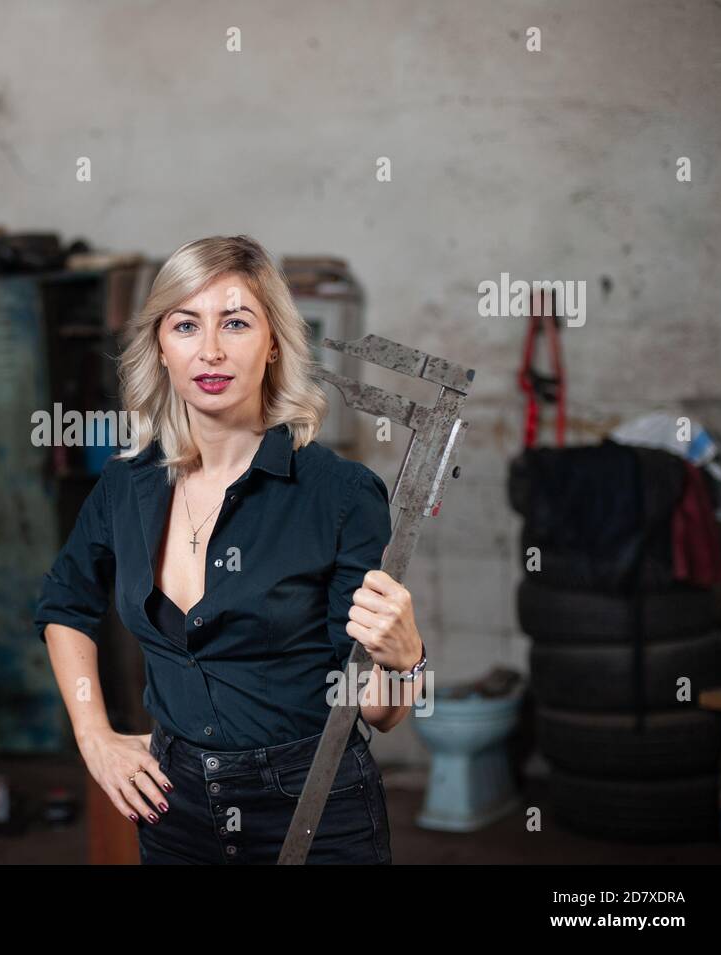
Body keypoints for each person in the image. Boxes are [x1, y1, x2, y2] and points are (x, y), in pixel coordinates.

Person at [34, 234, 427, 864]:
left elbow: (378, 711)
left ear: (273, 343)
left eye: (236, 323)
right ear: (160, 347)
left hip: (313, 805)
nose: (210, 349)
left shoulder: (341, 493)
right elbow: (64, 604)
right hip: (174, 805)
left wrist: (404, 660)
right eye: (186, 324)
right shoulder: (125, 486)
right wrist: (95, 736)